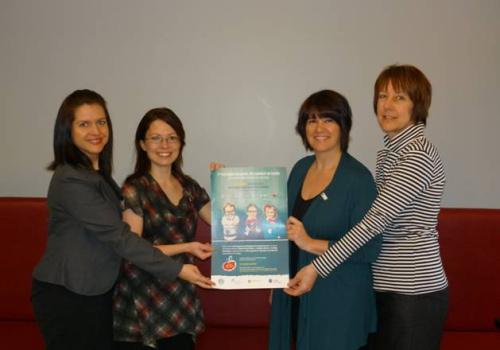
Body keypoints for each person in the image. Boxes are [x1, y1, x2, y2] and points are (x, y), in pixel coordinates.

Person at [31, 90, 213, 350]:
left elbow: (221, 221)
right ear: (66, 130)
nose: (96, 130)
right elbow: (120, 237)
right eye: (84, 123)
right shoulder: (72, 179)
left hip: (98, 291)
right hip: (70, 292)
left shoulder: (96, 174)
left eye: (101, 122)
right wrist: (179, 268)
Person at [285, 65, 449, 350]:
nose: (387, 106)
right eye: (382, 96)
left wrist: (315, 267)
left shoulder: (417, 155)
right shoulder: (389, 152)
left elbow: (374, 223)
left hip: (412, 291)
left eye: (399, 98)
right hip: (383, 287)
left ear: (417, 104)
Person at [269, 90, 382, 350]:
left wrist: (310, 243)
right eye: (311, 120)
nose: (319, 128)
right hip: (295, 292)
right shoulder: (299, 169)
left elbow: (371, 248)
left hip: (339, 300)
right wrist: (272, 275)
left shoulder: (358, 179)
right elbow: (281, 229)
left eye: (328, 119)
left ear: (343, 125)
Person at [113, 107, 215, 349]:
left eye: (171, 138)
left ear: (181, 143)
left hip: (179, 298)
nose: (164, 145)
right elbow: (133, 248)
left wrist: (225, 187)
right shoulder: (133, 189)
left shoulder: (189, 187)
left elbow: (224, 222)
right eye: (155, 138)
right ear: (142, 144)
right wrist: (187, 247)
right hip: (142, 300)